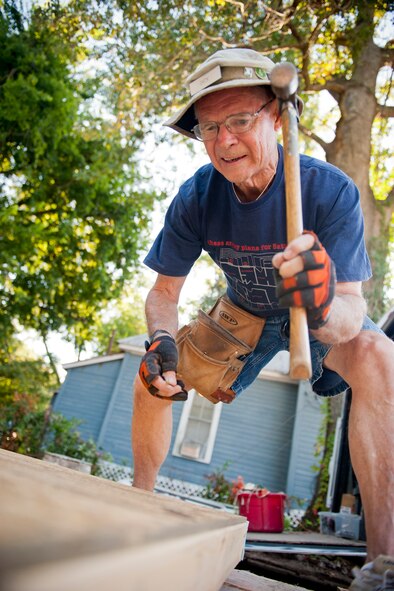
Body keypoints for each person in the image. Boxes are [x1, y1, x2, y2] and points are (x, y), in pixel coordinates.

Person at [131, 48, 394, 590]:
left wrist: (319, 302)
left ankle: (383, 564)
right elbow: (163, 293)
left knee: (378, 356)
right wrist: (162, 339)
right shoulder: (197, 197)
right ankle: (136, 512)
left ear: (276, 117)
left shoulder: (330, 191)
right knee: (153, 372)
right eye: (209, 128)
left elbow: (351, 312)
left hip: (316, 316)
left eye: (240, 120)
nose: (224, 140)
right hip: (243, 318)